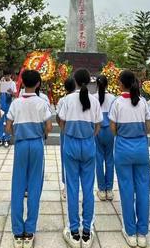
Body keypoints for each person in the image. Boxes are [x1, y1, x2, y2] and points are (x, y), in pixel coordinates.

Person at [6, 70, 53, 248]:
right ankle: (30, 230)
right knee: (34, 186)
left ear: (22, 83)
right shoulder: (42, 103)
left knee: (18, 185)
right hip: (37, 145)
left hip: (21, 145)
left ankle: (18, 232)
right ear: (39, 84)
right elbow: (49, 127)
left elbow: (8, 127)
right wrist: (39, 132)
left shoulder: (16, 103)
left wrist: (19, 133)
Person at [58, 69, 102, 248]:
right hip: (88, 145)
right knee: (88, 187)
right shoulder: (94, 100)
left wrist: (67, 131)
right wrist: (90, 136)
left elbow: (60, 120)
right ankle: (87, 230)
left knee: (72, 187)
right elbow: (98, 125)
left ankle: (74, 231)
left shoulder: (67, 100)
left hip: (71, 144)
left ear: (74, 81)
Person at [109, 70, 150, 248]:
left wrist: (124, 135)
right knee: (143, 189)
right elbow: (148, 127)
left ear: (121, 83)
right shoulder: (143, 102)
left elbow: (113, 129)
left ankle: (130, 231)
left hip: (123, 149)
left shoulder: (117, 103)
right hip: (141, 148)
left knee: (126, 189)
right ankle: (142, 233)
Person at [93, 74, 116, 201]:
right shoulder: (113, 98)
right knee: (109, 159)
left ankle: (101, 190)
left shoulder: (93, 98)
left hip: (98, 130)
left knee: (99, 159)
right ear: (107, 84)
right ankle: (109, 189)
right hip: (110, 132)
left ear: (96, 84)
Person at [56, 77, 76, 199]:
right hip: (79, 131)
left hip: (67, 131)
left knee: (66, 159)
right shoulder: (77, 99)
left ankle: (67, 187)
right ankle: (71, 185)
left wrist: (63, 128)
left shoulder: (63, 100)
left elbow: (59, 117)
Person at [0, 70, 16, 148]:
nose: (7, 77)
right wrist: (0, 83)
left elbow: (15, 95)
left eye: (8, 75)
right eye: (5, 75)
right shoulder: (1, 82)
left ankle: (7, 139)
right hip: (1, 103)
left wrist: (11, 92)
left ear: (10, 75)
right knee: (0, 121)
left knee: (8, 121)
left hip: (8, 103)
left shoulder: (13, 83)